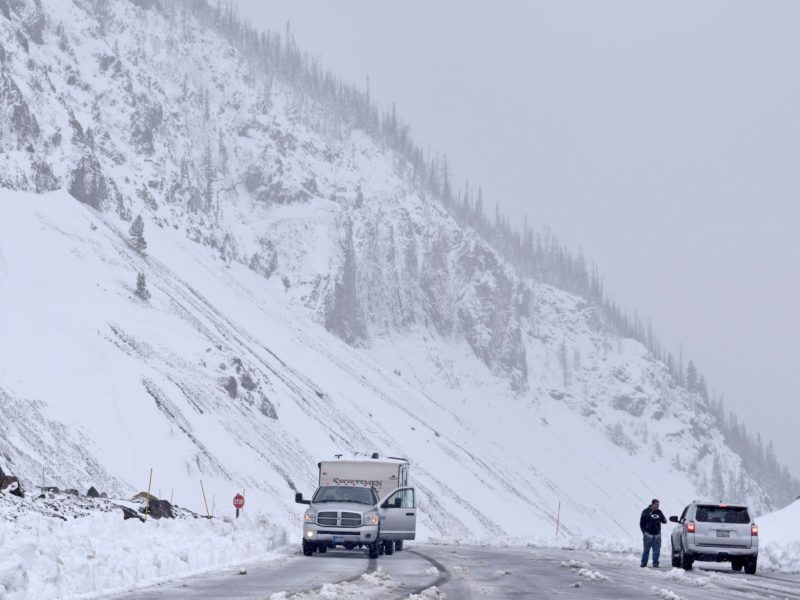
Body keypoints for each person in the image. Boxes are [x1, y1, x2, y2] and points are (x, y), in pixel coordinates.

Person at [640, 498, 667, 567]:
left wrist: (664, 520)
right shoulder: (646, 511)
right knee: (646, 550)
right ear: (652, 504)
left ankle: (655, 563)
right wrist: (644, 532)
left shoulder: (659, 512)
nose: (657, 506)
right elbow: (641, 523)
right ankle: (644, 563)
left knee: (656, 551)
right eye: (656, 505)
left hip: (657, 535)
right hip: (648, 534)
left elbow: (664, 520)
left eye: (658, 505)